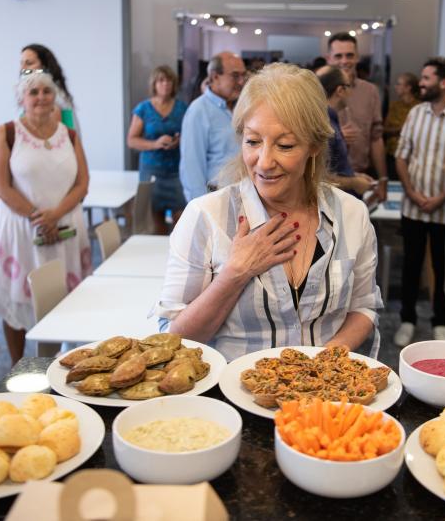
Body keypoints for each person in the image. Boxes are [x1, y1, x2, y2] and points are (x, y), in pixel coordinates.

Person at [154, 63, 383, 362]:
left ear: (314, 145)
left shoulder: (351, 214)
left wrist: (325, 361)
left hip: (320, 400)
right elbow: (173, 338)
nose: (263, 162)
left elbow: (363, 307)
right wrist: (234, 274)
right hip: (231, 400)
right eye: (252, 142)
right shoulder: (206, 216)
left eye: (285, 145)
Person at [0, 70, 92, 364]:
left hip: (65, 228)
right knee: (19, 299)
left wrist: (55, 215)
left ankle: (60, 362)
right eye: (33, 92)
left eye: (46, 91)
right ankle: (18, 364)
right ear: (21, 98)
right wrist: (39, 218)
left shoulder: (68, 134)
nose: (41, 98)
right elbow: (1, 186)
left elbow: (82, 183)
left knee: (65, 297)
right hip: (22, 230)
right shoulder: (6, 132)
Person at [394, 57, 445, 346]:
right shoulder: (415, 113)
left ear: (444, 82)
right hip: (412, 206)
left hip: (443, 210)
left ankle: (440, 321)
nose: (420, 83)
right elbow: (401, 155)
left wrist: (441, 198)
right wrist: (412, 192)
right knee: (410, 265)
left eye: (426, 78)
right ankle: (407, 320)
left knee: (442, 267)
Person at [326, 32, 388, 201]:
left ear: (357, 57)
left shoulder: (370, 91)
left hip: (362, 178)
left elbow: (376, 138)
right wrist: (337, 137)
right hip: (327, 181)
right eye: (338, 56)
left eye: (349, 55)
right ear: (329, 58)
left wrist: (382, 179)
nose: (344, 61)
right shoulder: (316, 91)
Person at [127, 65, 188, 234]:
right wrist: (156, 144)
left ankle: (180, 256)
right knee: (156, 222)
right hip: (151, 172)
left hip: (176, 172)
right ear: (154, 84)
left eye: (169, 80)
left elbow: (190, 135)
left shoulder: (182, 108)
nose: (165, 84)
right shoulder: (143, 109)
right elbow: (131, 140)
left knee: (183, 220)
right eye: (161, 80)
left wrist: (179, 140)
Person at [179, 52, 247, 201]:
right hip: (217, 198)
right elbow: (192, 168)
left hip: (245, 196)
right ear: (215, 76)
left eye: (243, 75)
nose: (241, 81)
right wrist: (200, 209)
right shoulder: (198, 111)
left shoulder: (242, 107)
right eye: (235, 76)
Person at [315, 65, 374, 197]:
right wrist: (354, 182)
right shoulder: (325, 125)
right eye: (349, 86)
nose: (351, 92)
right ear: (340, 90)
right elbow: (318, 177)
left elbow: (335, 168)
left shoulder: (331, 118)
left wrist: (353, 175)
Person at [20, 44, 79, 132]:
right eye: (22, 63)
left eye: (29, 63)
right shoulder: (49, 92)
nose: (23, 68)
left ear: (44, 67)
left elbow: (50, 138)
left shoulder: (49, 96)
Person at [383, 72, 420, 159]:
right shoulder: (394, 106)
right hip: (392, 153)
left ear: (408, 88)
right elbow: (384, 130)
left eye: (399, 84)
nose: (395, 87)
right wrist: (400, 129)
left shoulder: (419, 108)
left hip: (412, 154)